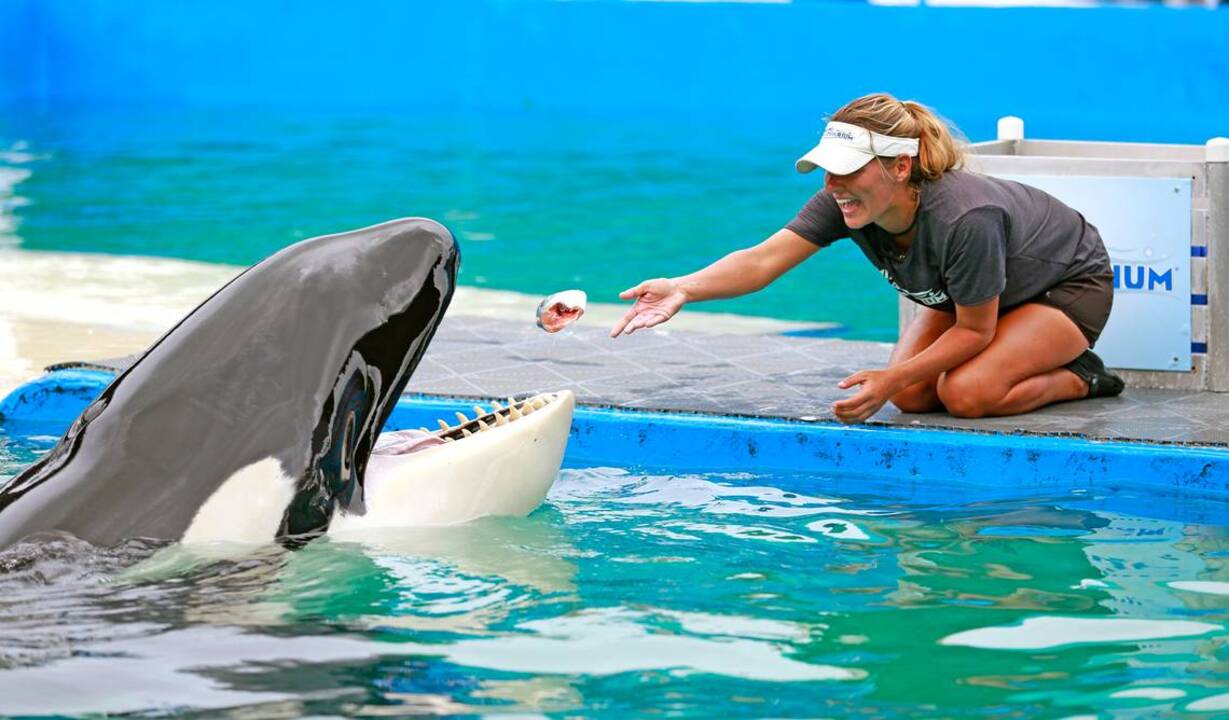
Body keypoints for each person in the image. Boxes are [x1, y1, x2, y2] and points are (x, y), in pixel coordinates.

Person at [609, 93, 1124, 424]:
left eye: (847, 170)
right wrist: (684, 287)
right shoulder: (846, 200)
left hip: (1065, 287)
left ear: (901, 168)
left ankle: (1085, 375)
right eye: (826, 170)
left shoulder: (966, 218)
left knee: (968, 393)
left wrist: (887, 378)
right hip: (979, 293)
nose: (832, 184)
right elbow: (763, 261)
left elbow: (975, 332)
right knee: (916, 397)